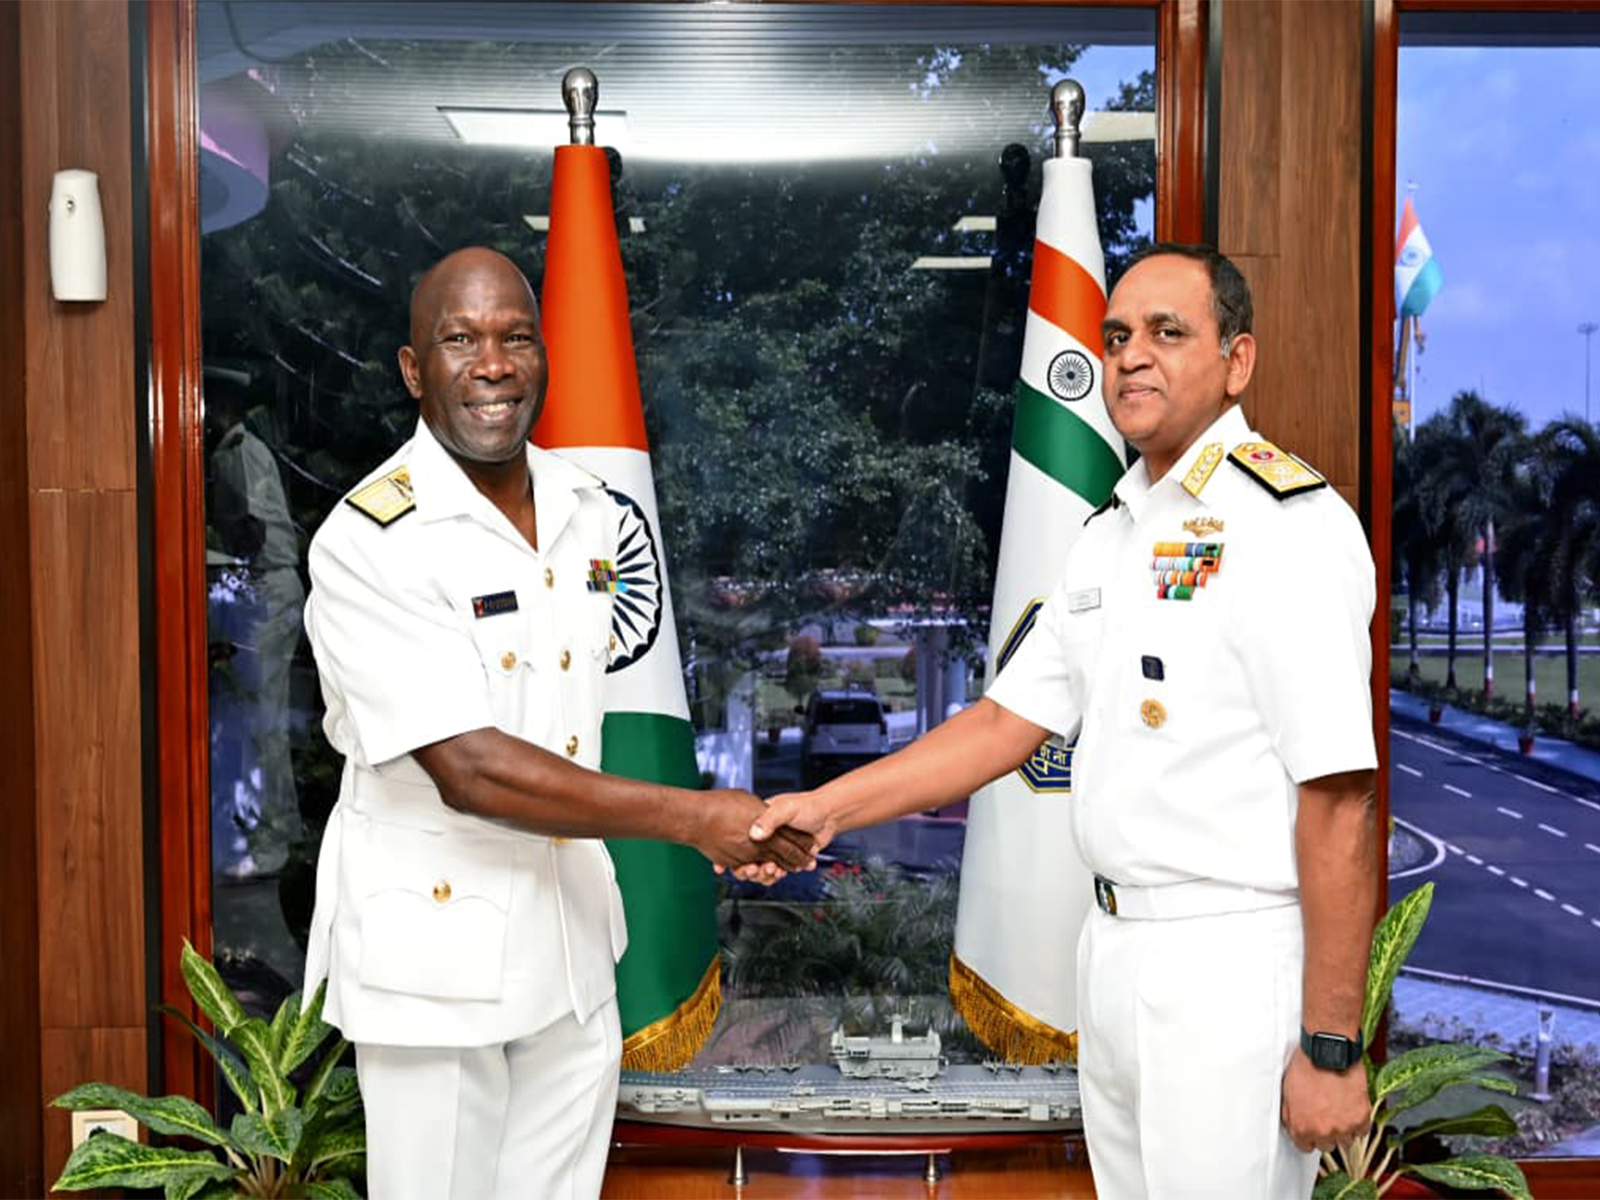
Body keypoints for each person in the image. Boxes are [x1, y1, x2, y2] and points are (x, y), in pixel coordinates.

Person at [751, 244, 1378, 1199]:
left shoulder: (1285, 526)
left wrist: (1331, 1045)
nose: (1132, 356)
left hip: (1228, 961)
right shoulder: (1112, 534)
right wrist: (826, 808)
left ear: (1237, 360)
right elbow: (1003, 723)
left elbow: (1338, 800)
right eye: (1117, 336)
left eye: (1168, 333)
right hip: (1113, 950)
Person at [300, 246, 812, 1200]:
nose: (493, 365)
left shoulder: (588, 508)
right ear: (413, 369)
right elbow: (471, 768)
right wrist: (696, 818)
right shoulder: (370, 541)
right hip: (436, 958)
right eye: (460, 340)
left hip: (570, 939)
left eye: (516, 338)